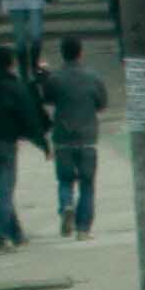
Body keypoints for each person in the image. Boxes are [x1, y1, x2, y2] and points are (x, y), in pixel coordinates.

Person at [0, 47, 46, 250]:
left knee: (3, 190)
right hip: (5, 145)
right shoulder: (16, 89)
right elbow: (30, 119)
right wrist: (43, 144)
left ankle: (17, 234)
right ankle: (0, 236)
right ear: (12, 63)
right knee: (5, 192)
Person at [42, 36, 110, 240]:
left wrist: (42, 75)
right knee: (87, 184)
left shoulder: (55, 78)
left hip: (63, 137)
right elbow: (102, 104)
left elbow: (47, 99)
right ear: (81, 53)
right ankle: (83, 229)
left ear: (62, 54)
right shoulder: (94, 78)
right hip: (88, 137)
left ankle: (66, 207)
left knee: (65, 180)